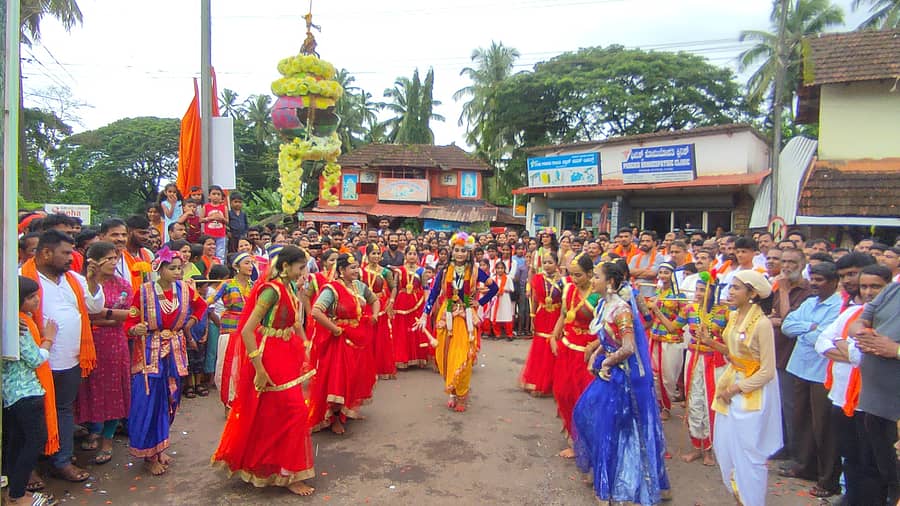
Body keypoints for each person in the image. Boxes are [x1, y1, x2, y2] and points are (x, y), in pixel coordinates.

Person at [211, 246, 316, 496]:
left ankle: (276, 467)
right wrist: (258, 367)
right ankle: (285, 471)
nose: (304, 273)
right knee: (294, 410)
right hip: (269, 356)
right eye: (300, 268)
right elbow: (247, 330)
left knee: (276, 412)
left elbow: (296, 322)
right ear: (285, 266)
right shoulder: (271, 291)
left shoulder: (290, 287)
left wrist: (304, 345)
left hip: (287, 353)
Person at [573, 259, 671, 505]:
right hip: (608, 373)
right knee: (586, 416)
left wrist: (606, 362)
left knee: (615, 429)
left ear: (611, 283)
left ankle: (614, 485)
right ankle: (603, 474)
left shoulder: (621, 310)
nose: (593, 280)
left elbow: (628, 347)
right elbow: (605, 340)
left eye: (597, 276)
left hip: (623, 377)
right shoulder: (603, 307)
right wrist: (596, 355)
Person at [20, 230, 104, 483]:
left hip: (70, 361)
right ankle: (28, 468)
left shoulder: (74, 280)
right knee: (29, 418)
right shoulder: (20, 279)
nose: (72, 257)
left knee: (64, 411)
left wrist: (92, 280)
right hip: (32, 364)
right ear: (46, 253)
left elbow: (95, 307)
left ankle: (61, 461)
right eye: (66, 253)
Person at [124, 246, 206, 475]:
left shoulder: (186, 290)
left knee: (170, 399)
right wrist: (135, 329)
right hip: (150, 352)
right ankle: (148, 454)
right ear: (159, 269)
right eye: (173, 268)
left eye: (180, 268)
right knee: (148, 400)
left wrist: (189, 324)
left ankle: (160, 447)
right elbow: (129, 322)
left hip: (175, 351)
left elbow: (201, 306)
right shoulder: (143, 292)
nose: (178, 272)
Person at [815, 264, 892, 505]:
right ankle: (852, 497)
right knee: (850, 454)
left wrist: (842, 345)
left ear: (889, 288)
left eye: (876, 287)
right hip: (841, 396)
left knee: (873, 460)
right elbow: (821, 343)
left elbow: (865, 355)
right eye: (864, 286)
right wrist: (852, 350)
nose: (869, 292)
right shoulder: (852, 313)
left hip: (872, 402)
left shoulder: (891, 319)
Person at [712, 270, 782, 506]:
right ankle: (738, 498)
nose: (730, 292)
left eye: (736, 288)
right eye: (730, 287)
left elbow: (767, 370)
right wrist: (712, 342)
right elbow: (733, 355)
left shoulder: (762, 324)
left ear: (752, 294)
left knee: (749, 454)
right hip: (731, 383)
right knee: (725, 448)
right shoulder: (733, 317)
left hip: (752, 393)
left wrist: (735, 389)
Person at [780, 263, 843, 498]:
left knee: (823, 426)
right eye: (813, 279)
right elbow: (787, 326)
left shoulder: (838, 306)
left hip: (821, 373)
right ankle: (804, 466)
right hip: (799, 368)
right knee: (801, 420)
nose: (814, 284)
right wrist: (810, 327)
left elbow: (824, 339)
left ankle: (827, 479)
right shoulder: (809, 302)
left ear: (834, 282)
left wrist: (807, 331)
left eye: (820, 280)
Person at [652, 273, 728, 465]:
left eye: (703, 290)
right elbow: (672, 327)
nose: (698, 294)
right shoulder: (689, 309)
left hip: (715, 360)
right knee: (694, 400)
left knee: (711, 401)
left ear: (713, 292)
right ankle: (696, 446)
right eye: (697, 290)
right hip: (694, 358)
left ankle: (710, 449)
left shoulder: (725, 312)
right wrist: (657, 311)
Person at [419, 232, 497, 413]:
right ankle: (452, 391)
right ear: (452, 251)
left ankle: (462, 394)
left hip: (466, 315)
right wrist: (425, 314)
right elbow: (433, 293)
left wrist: (480, 302)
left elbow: (494, 288)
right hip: (446, 316)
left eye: (463, 251)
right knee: (444, 355)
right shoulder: (445, 271)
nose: (460, 254)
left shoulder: (476, 271)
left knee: (463, 356)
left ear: (469, 252)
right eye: (457, 250)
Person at [74, 241, 133, 466]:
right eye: (108, 258)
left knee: (114, 389)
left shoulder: (123, 284)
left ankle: (107, 440)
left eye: (115, 258)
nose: (113, 262)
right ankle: (94, 429)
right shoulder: (81, 284)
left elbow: (129, 314)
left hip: (115, 344)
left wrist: (102, 314)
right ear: (94, 261)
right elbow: (85, 314)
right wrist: (110, 315)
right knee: (90, 388)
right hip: (88, 343)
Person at [308, 253, 380, 434]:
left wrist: (375, 315)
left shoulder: (360, 286)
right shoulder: (331, 289)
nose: (356, 270)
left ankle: (348, 411)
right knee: (338, 379)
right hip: (339, 341)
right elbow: (316, 311)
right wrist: (334, 328)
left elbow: (375, 300)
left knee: (355, 376)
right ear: (341, 270)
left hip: (358, 339)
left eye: (357, 266)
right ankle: (334, 418)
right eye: (352, 268)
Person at [3, 277, 58, 505]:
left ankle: (13, 491)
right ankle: (17, 496)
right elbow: (35, 359)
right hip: (26, 392)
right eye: (30, 297)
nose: (36, 300)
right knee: (33, 441)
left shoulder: (11, 321)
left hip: (11, 394)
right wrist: (49, 339)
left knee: (16, 442)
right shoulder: (20, 325)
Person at [849, 277, 900, 505]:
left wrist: (896, 350)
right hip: (876, 403)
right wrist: (862, 333)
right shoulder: (893, 290)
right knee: (887, 473)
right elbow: (858, 322)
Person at [550, 254, 599, 458]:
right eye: (571, 274)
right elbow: (563, 314)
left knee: (583, 398)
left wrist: (596, 345)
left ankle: (585, 443)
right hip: (567, 347)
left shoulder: (598, 294)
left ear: (590, 273)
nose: (574, 279)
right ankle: (572, 435)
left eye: (578, 275)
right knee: (563, 392)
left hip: (587, 353)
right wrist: (554, 336)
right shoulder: (569, 289)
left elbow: (607, 326)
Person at [213, 252, 256, 407]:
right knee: (227, 367)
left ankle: (243, 402)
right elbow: (209, 302)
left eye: (252, 263)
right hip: (230, 330)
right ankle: (228, 402)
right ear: (236, 266)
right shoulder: (227, 284)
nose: (250, 266)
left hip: (249, 331)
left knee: (246, 367)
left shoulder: (254, 285)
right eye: (246, 263)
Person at [645, 261, 687, 420]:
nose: (663, 276)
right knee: (654, 373)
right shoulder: (657, 293)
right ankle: (659, 405)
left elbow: (680, 320)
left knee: (668, 376)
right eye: (661, 272)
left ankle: (667, 406)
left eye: (666, 272)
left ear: (673, 275)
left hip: (671, 339)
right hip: (655, 336)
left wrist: (656, 309)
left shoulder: (680, 296)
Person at [520, 251, 563, 397]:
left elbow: (565, 302)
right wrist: (532, 316)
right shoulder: (538, 278)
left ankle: (551, 383)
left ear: (556, 263)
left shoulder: (563, 281)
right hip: (542, 314)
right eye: (545, 262)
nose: (547, 265)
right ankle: (535, 380)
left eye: (550, 262)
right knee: (540, 345)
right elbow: (534, 298)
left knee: (554, 345)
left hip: (557, 315)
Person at [360, 243, 397, 379]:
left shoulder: (385, 272)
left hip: (380, 305)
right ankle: (366, 368)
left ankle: (380, 367)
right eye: (373, 253)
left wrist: (391, 301)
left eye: (378, 253)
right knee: (366, 336)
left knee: (380, 337)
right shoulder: (360, 271)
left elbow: (393, 287)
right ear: (367, 255)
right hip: (364, 305)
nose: (376, 256)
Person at [391, 245, 429, 370]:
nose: (412, 256)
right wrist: (392, 301)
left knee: (416, 328)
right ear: (405, 255)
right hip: (401, 301)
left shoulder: (422, 271)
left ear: (417, 256)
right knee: (401, 329)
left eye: (414, 254)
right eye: (410, 253)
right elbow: (395, 287)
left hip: (417, 301)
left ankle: (418, 357)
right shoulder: (399, 270)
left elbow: (425, 287)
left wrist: (428, 304)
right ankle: (402, 357)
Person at [486, 260, 516, 341]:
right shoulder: (492, 278)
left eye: (502, 268)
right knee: (495, 316)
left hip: (505, 299)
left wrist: (503, 290)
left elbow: (512, 289)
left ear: (504, 269)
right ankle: (497, 334)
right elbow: (488, 289)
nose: (500, 270)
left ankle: (509, 334)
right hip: (495, 300)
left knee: (507, 316)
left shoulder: (508, 278)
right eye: (498, 268)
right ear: (495, 269)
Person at [201, 185, 229, 262]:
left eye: (218, 194)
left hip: (221, 235)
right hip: (209, 235)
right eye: (214, 194)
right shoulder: (206, 207)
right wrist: (210, 218)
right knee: (208, 253)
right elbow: (201, 220)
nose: (216, 196)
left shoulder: (224, 207)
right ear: (209, 196)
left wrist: (221, 218)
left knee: (220, 254)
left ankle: (219, 268)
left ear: (221, 197)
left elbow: (227, 221)